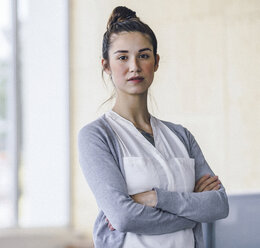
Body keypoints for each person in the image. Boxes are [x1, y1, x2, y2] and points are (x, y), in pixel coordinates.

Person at [78, 6, 229, 248]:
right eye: (123, 57)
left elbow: (218, 205)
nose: (134, 66)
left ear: (156, 62)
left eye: (144, 55)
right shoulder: (97, 136)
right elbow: (123, 217)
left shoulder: (181, 136)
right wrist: (193, 211)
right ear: (106, 65)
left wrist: (156, 198)